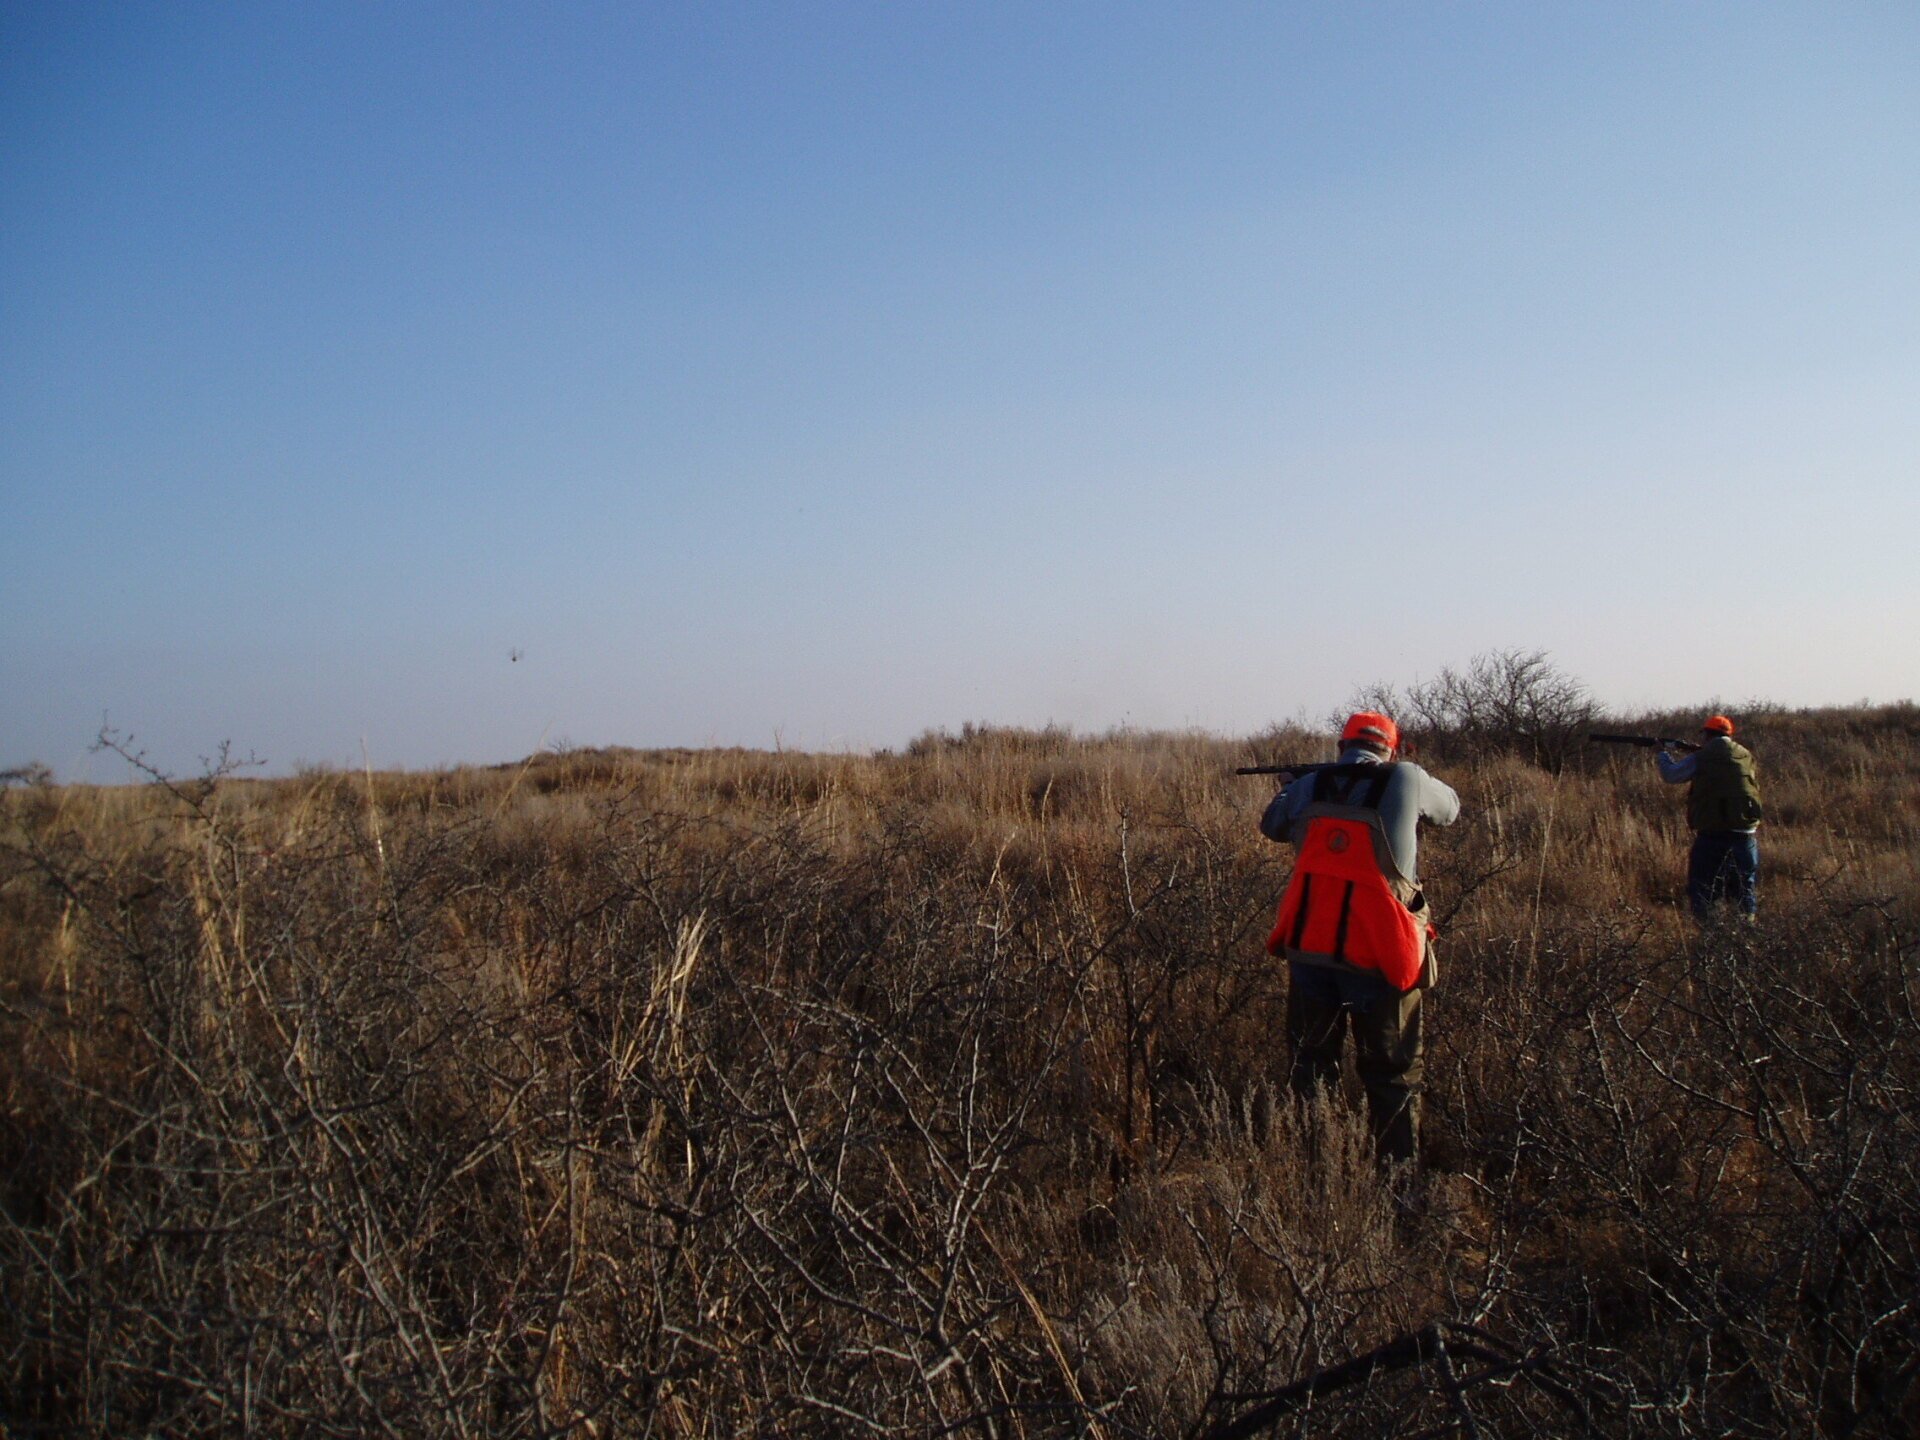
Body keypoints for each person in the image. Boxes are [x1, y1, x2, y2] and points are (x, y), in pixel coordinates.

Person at [1259, 711, 1460, 1164]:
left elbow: (1272, 826)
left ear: (1340, 746)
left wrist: (1293, 786)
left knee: (1311, 1068)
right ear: (1392, 747)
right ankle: (1397, 1182)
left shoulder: (1310, 786)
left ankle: (1316, 1172)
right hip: (1381, 953)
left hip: (1311, 950)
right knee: (1392, 1074)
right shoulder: (1406, 777)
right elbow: (1450, 809)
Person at [1657, 715, 1763, 922]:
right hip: (1745, 834)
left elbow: (1671, 775)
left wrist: (1661, 754)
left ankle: (1708, 940)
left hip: (1713, 835)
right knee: (1743, 888)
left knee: (1704, 888)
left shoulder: (1702, 757)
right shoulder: (1745, 755)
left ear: (1706, 735)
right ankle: (1747, 935)